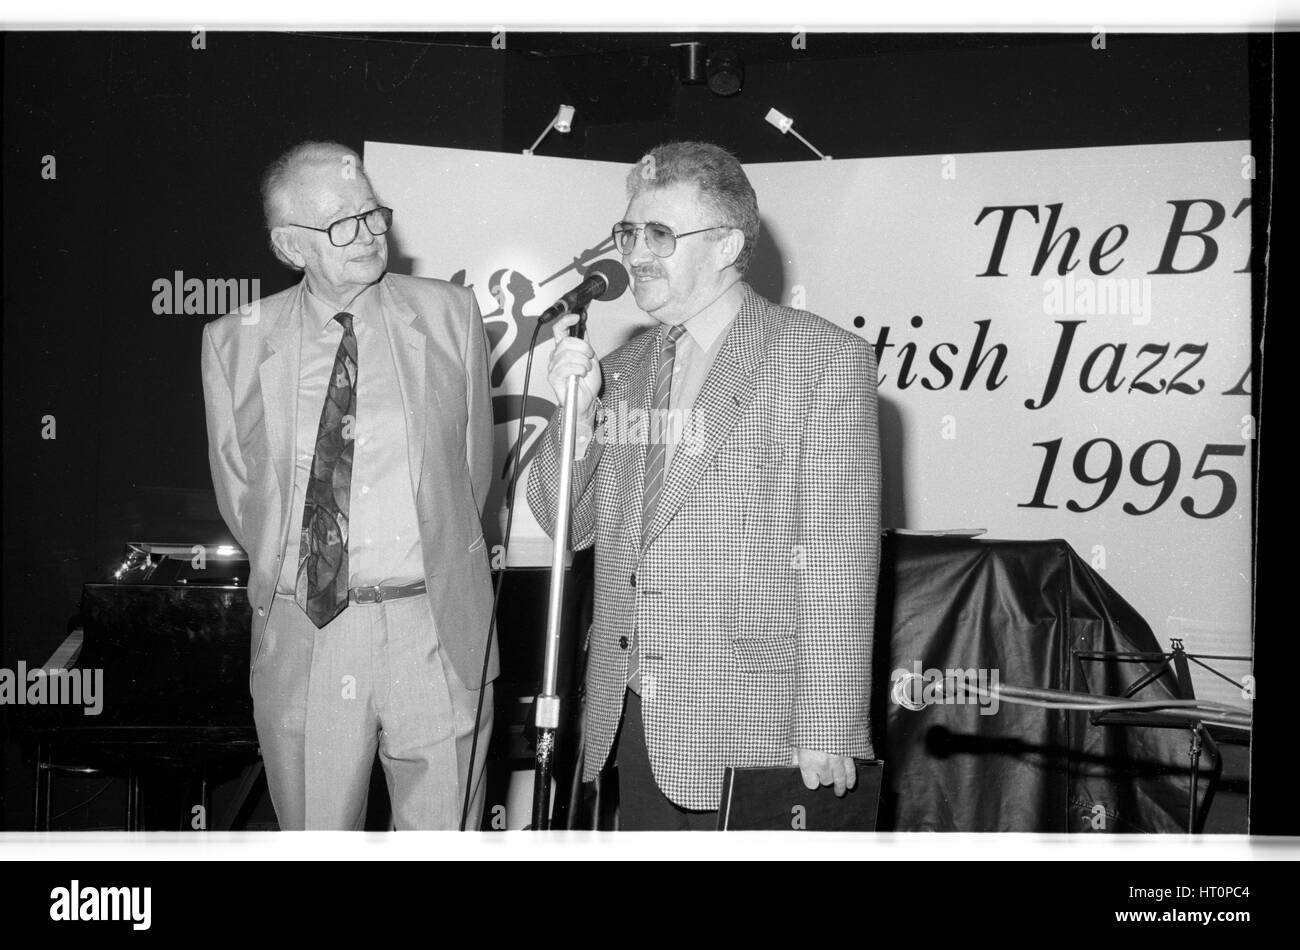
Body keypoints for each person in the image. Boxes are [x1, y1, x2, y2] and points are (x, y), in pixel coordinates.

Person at [527, 140, 880, 829]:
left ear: (724, 244)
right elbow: (566, 521)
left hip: (761, 727)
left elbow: (838, 559)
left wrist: (830, 723)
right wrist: (579, 413)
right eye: (628, 232)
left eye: (659, 233)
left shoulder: (823, 359)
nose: (634, 252)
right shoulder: (624, 368)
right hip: (634, 723)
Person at [201, 141, 495, 830]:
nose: (367, 234)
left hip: (436, 628)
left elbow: (473, 475)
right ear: (289, 246)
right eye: (340, 224)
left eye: (372, 213)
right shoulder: (235, 341)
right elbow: (244, 494)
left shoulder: (452, 315)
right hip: (311, 631)